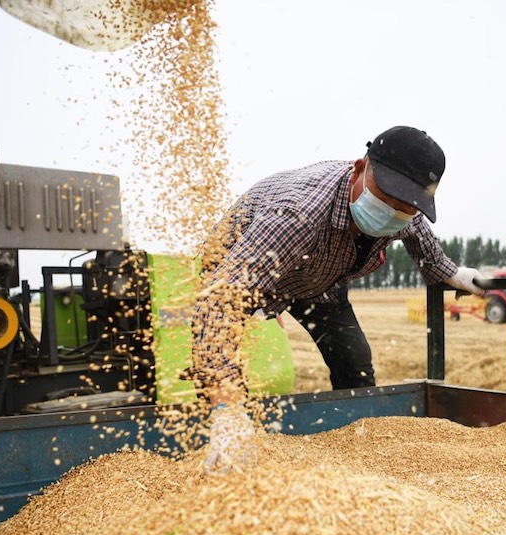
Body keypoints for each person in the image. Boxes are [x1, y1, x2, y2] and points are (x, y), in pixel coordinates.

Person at [190, 126, 486, 473]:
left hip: (319, 278)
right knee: (219, 368)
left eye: (406, 206)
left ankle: (357, 443)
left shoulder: (405, 213)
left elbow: (422, 241)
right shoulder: (295, 215)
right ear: (360, 169)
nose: (393, 211)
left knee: (354, 359)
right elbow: (217, 301)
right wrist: (227, 411)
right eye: (387, 197)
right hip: (248, 270)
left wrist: (453, 274)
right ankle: (216, 436)